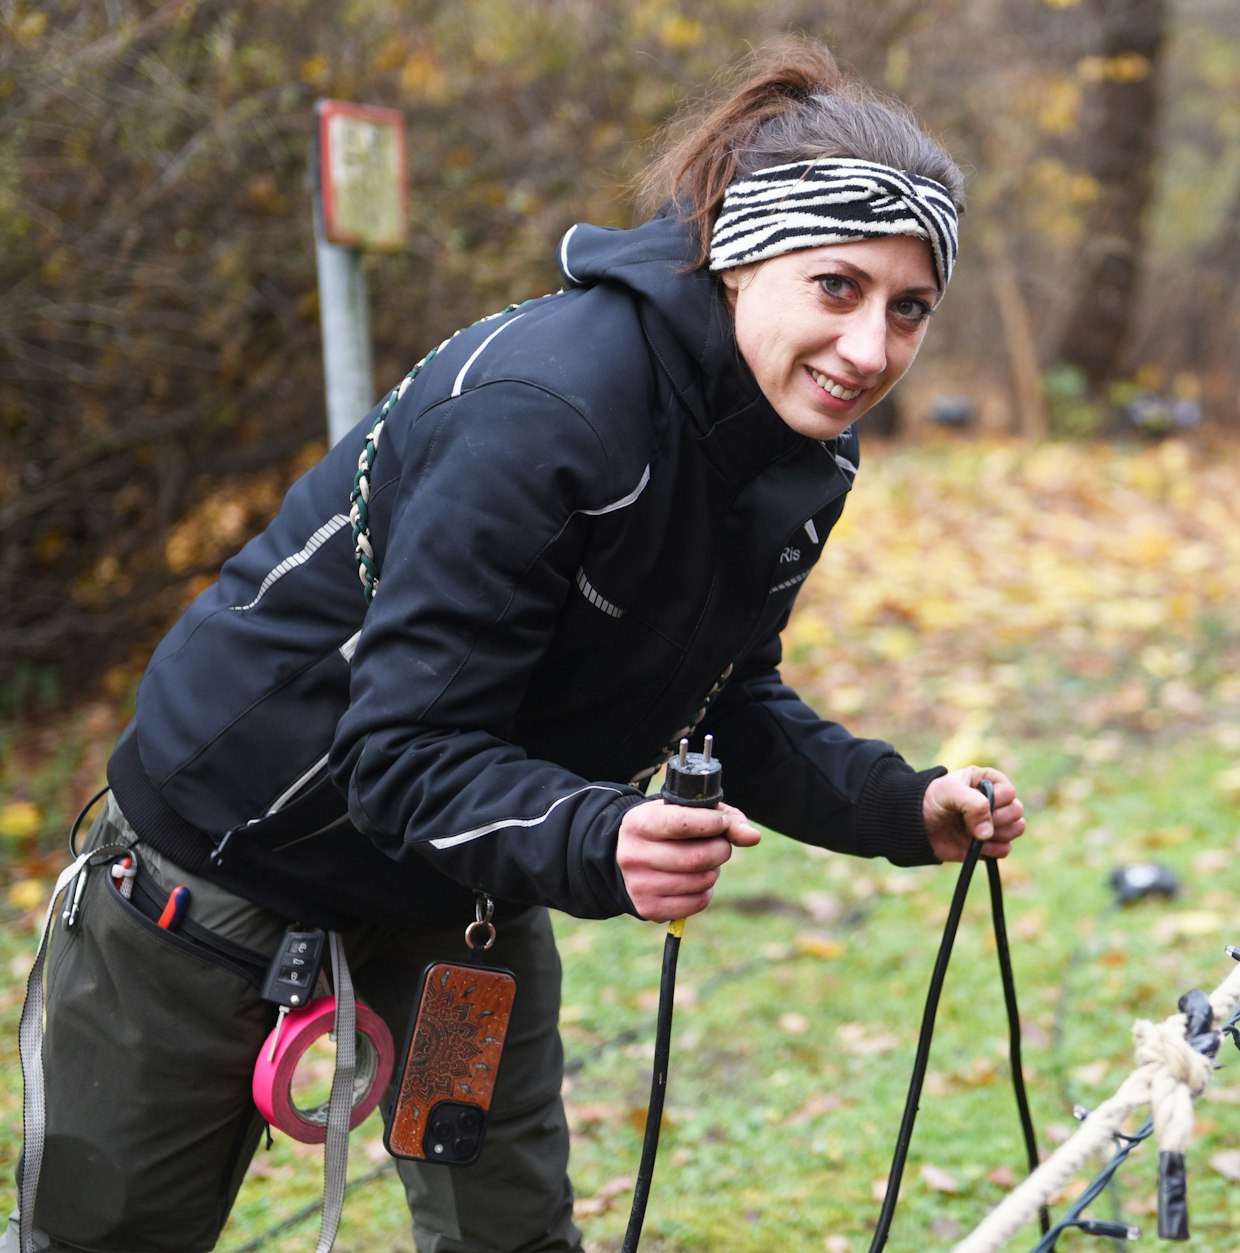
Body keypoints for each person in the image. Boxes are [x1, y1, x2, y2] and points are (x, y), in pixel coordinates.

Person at [8, 38, 1025, 1253]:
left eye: (909, 308)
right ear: (737, 256)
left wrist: (897, 804)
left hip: (461, 893)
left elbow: (724, 699)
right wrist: (605, 836)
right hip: (221, 864)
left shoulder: (804, 453)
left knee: (513, 1239)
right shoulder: (546, 412)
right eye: (836, 287)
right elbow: (394, 753)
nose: (869, 349)